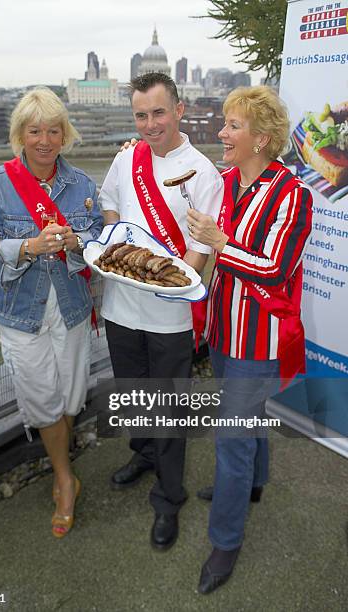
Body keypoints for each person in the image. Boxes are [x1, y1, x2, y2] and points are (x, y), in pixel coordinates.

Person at [186, 86, 313, 593]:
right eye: (224, 123)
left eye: (232, 126)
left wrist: (220, 243)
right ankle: (253, 485)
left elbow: (276, 269)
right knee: (246, 422)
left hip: (259, 338)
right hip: (223, 328)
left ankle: (225, 541)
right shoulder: (224, 182)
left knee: (232, 437)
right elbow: (186, 193)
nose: (221, 133)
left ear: (262, 139)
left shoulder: (294, 194)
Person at [98, 72, 224, 550]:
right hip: (120, 304)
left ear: (179, 109)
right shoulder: (126, 157)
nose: (150, 124)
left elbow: (199, 251)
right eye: (141, 115)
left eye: (158, 112)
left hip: (169, 316)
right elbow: (110, 204)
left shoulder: (203, 172)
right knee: (133, 394)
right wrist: (117, 242)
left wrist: (164, 286)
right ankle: (143, 453)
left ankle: (170, 497)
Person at [0, 87, 103, 538]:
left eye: (53, 130)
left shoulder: (83, 186)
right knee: (42, 399)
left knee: (68, 396)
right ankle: (65, 479)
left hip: (70, 306)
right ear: (20, 135)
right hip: (19, 311)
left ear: (64, 135)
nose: (44, 140)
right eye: (35, 131)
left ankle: (63, 469)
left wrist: (77, 244)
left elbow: (99, 248)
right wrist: (27, 246)